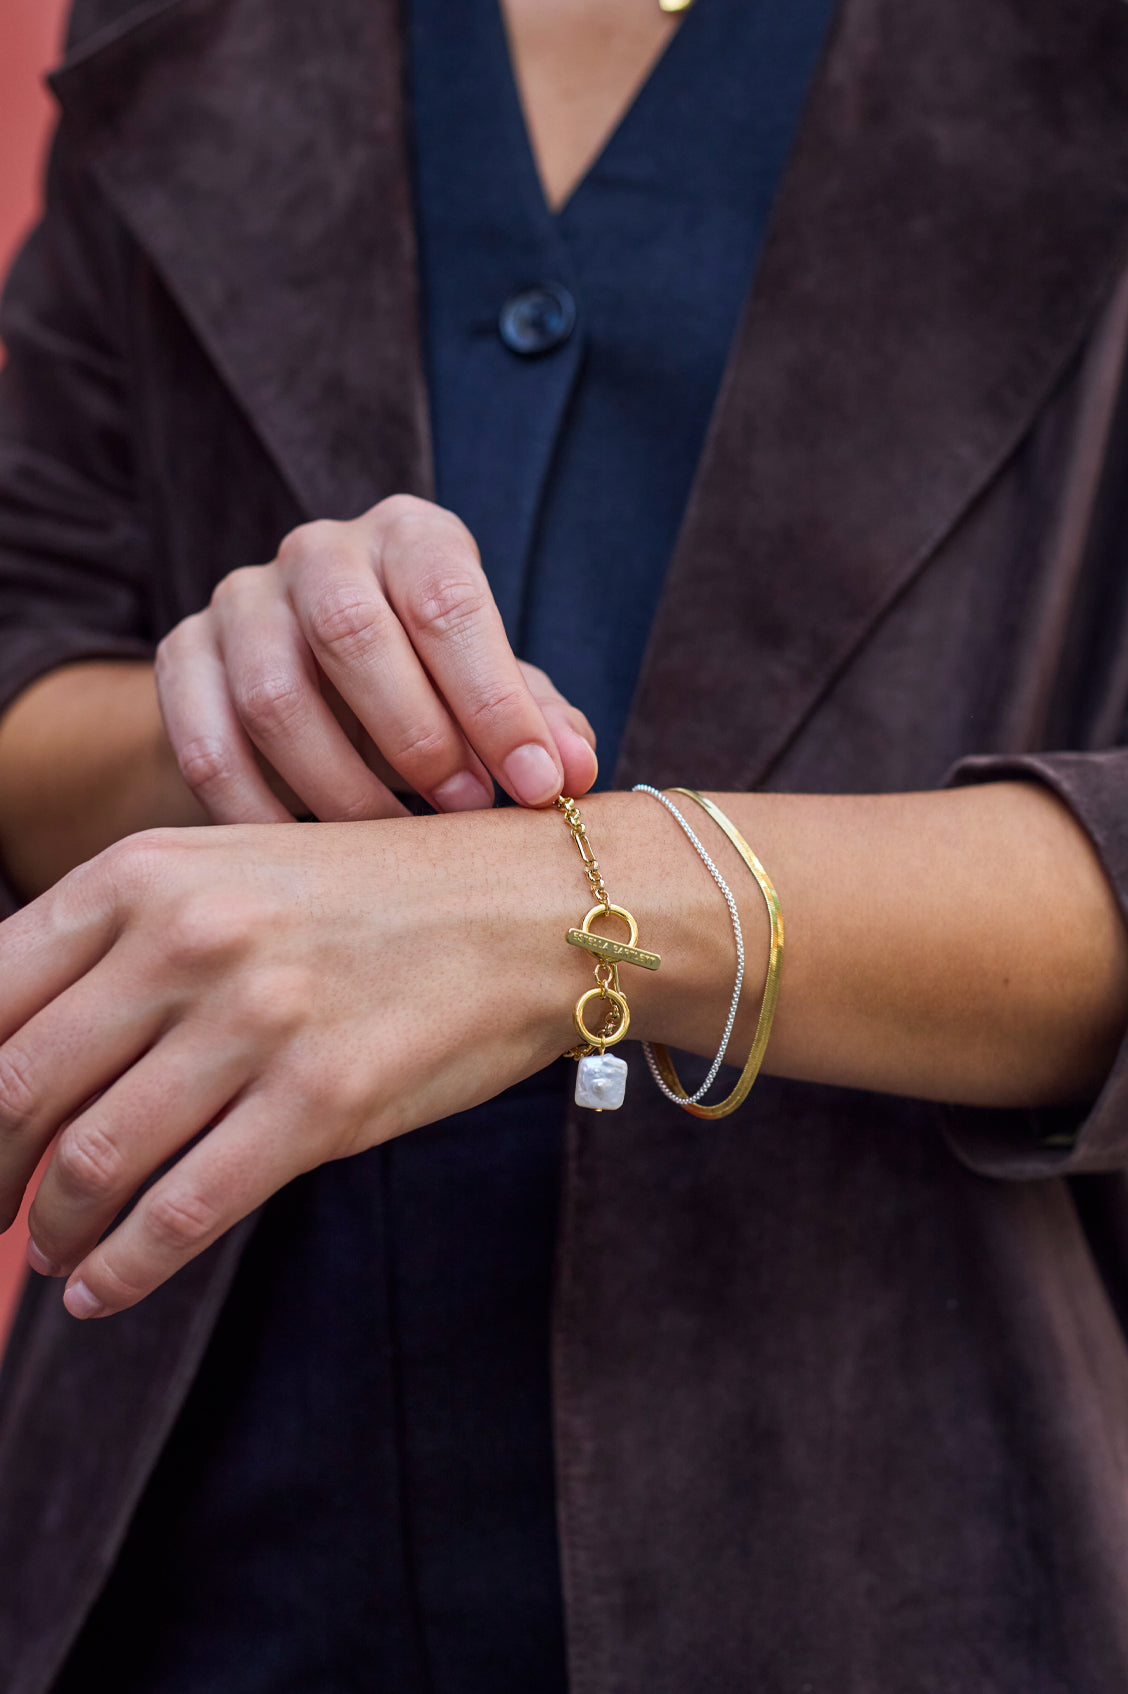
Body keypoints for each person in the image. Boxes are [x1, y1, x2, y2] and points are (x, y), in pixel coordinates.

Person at [3, 0, 1128, 1688]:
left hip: (910, 1534)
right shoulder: (206, 29)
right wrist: (238, 722)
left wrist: (571, 909)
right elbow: (31, 640)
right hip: (192, 1552)